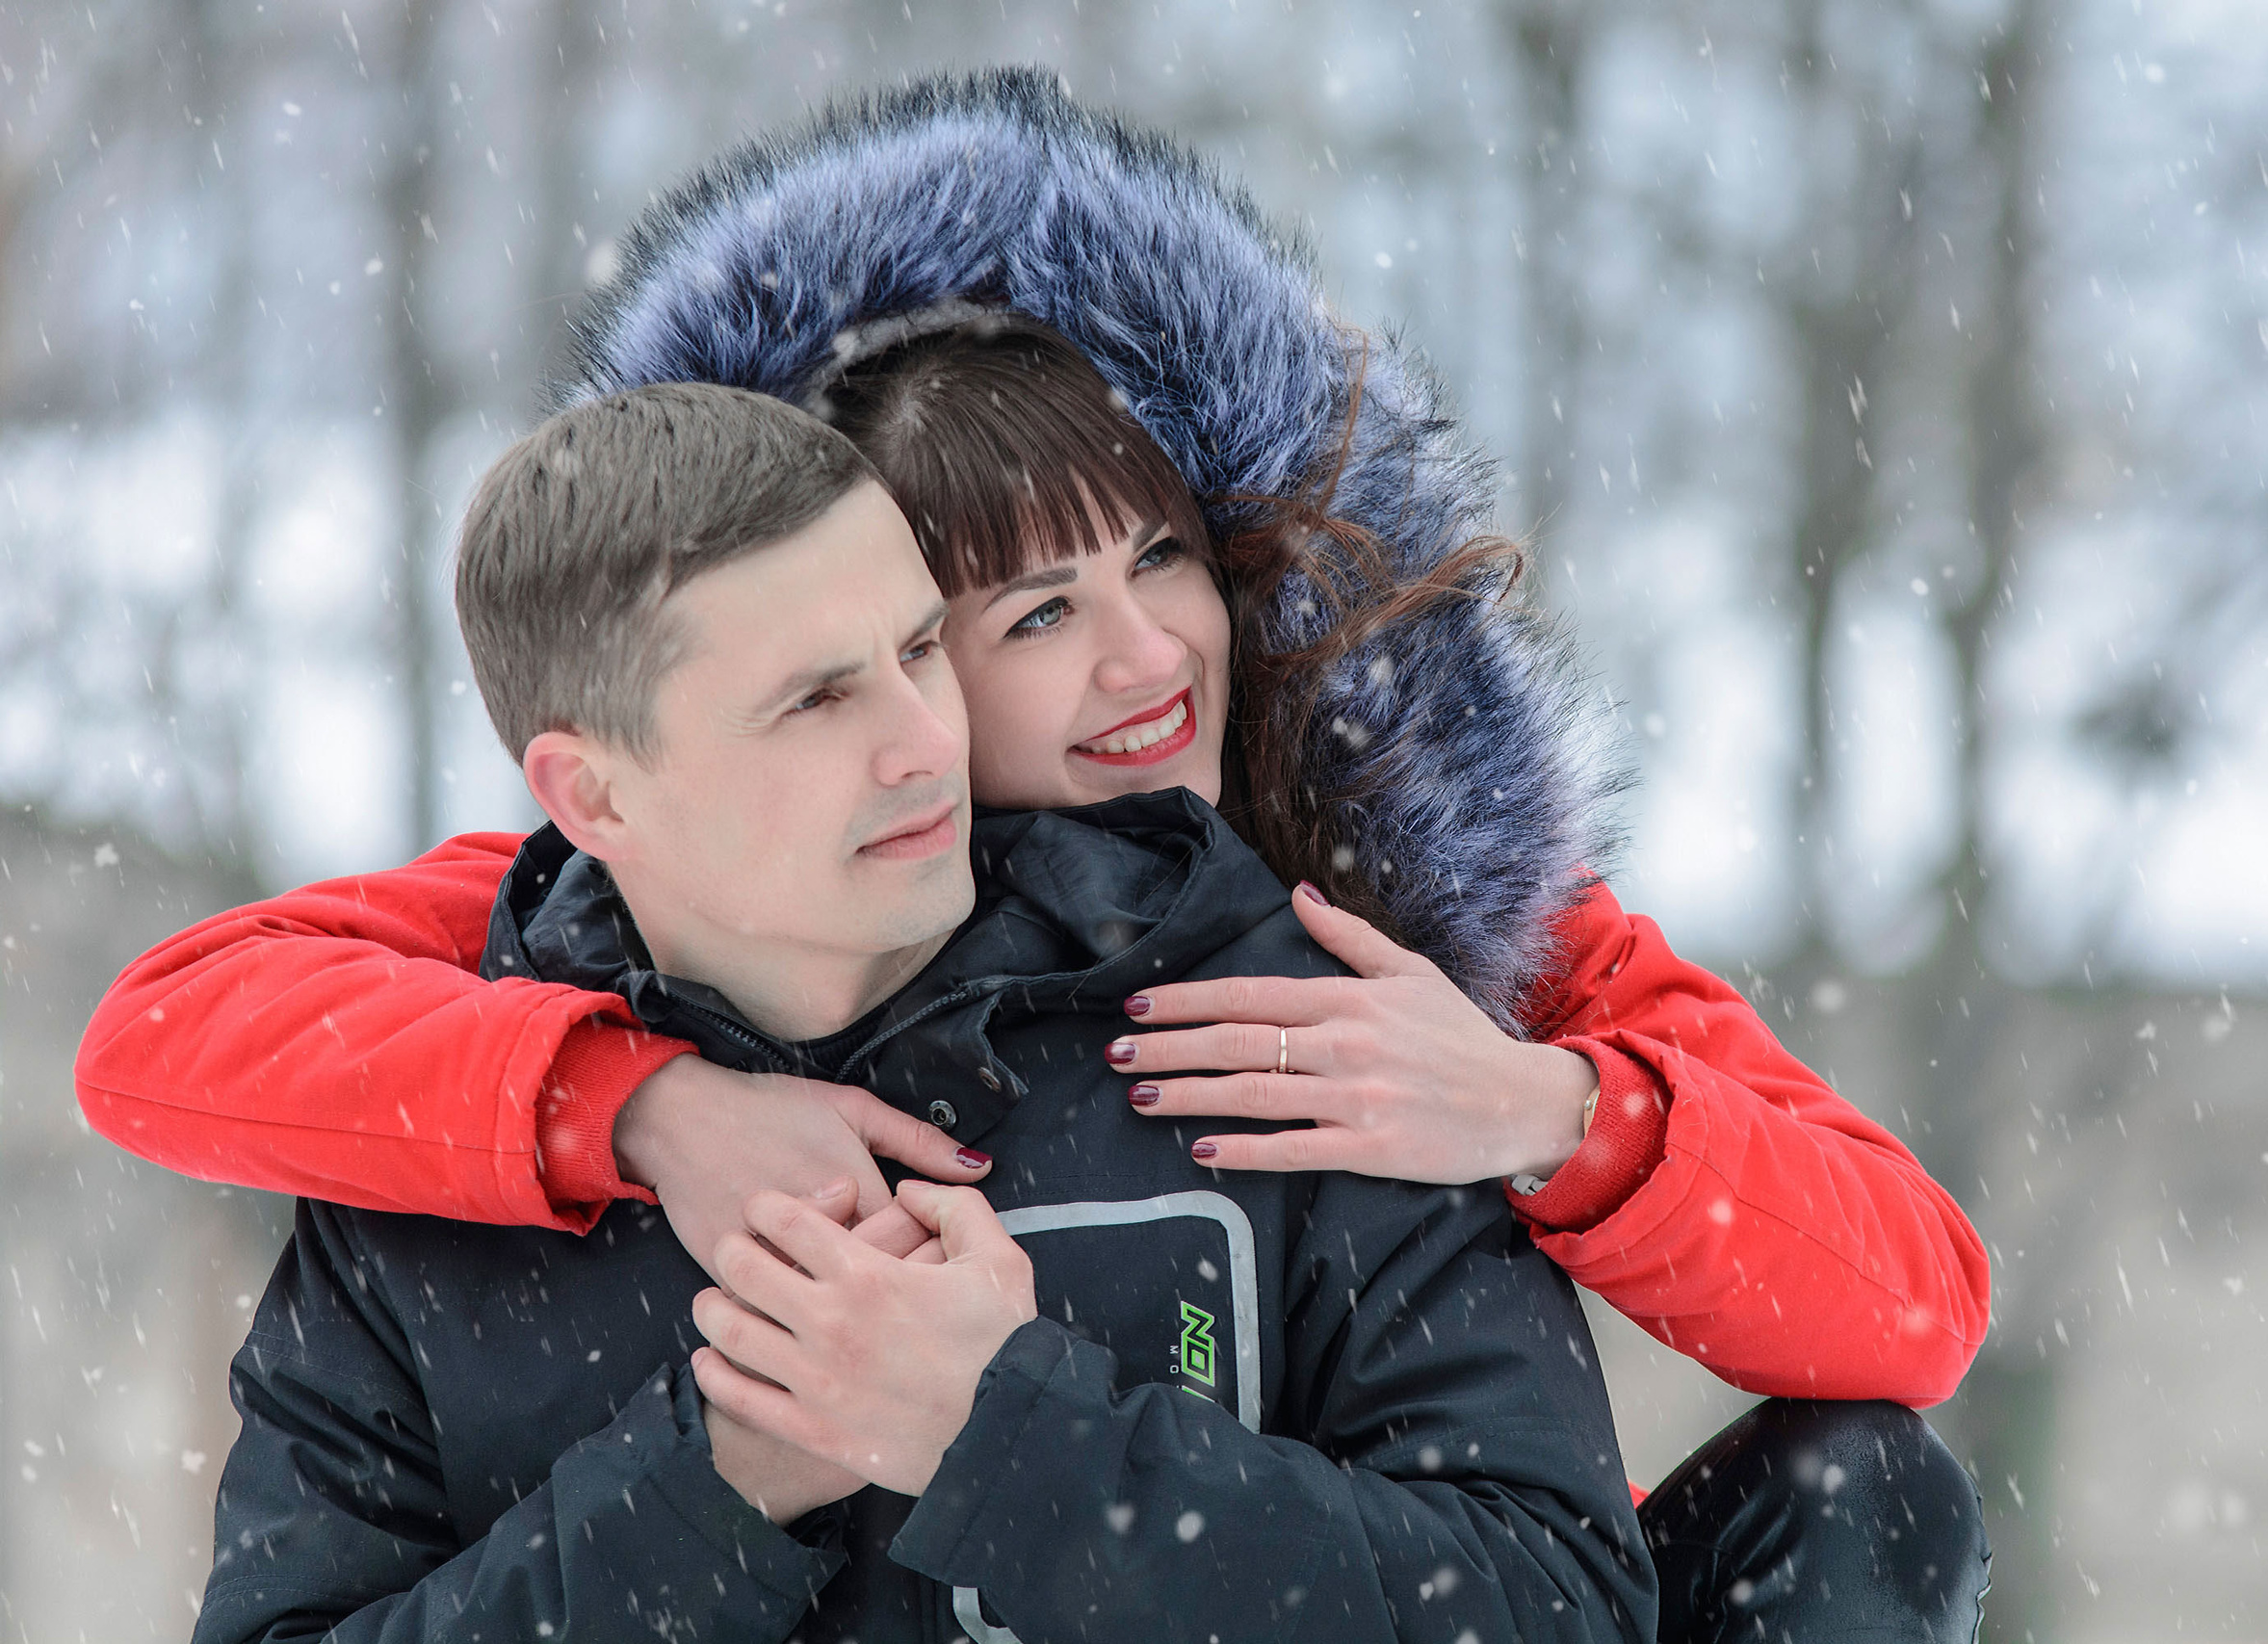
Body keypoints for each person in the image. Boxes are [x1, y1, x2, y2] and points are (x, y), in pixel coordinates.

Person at [94, 72, 1989, 1638]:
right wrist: (637, 1104)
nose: (1144, 656)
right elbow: (183, 1027)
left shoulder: (1406, 914)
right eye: (1019, 615)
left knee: (1861, 1494)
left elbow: (1907, 1304)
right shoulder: (677, 888)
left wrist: (1543, 1106)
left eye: (1163, 559)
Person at [196, 381, 1654, 1644]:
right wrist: (711, 1488)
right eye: (817, 702)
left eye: (915, 651)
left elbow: (1564, 1608)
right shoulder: (444, 1178)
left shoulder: (1284, 1038)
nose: (923, 743)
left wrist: (1020, 1447)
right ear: (595, 794)